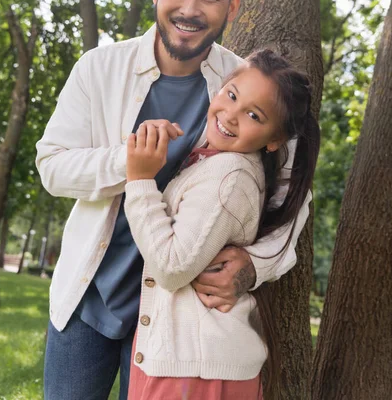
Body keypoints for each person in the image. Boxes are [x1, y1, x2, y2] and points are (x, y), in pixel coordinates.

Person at [36, 0, 312, 400]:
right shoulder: (98, 68)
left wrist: (254, 265)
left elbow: (291, 199)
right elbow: (52, 166)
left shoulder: (247, 87)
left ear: (232, 7)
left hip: (180, 316)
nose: (190, 9)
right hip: (88, 297)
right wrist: (130, 161)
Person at [124, 49, 320, 399]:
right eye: (231, 95)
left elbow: (171, 268)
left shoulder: (228, 176)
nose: (230, 116)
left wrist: (140, 181)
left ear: (275, 141)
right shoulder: (214, 161)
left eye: (253, 115)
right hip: (192, 363)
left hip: (194, 372)